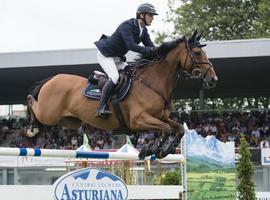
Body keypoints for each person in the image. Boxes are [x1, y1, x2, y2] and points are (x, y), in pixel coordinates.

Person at [94, 3, 158, 119]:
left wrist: (161, 54)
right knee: (114, 77)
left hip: (117, 58)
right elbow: (132, 46)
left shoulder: (143, 31)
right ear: (141, 15)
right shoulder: (127, 25)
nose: (153, 18)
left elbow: (151, 47)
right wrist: (149, 50)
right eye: (151, 15)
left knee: (132, 73)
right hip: (106, 54)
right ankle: (101, 107)